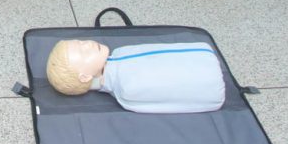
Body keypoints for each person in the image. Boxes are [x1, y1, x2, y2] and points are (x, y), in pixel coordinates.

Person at [45, 39, 225, 113]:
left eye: (81, 42)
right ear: (84, 77)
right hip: (209, 79)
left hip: (207, 69)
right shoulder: (128, 88)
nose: (89, 44)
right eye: (83, 52)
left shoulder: (120, 57)